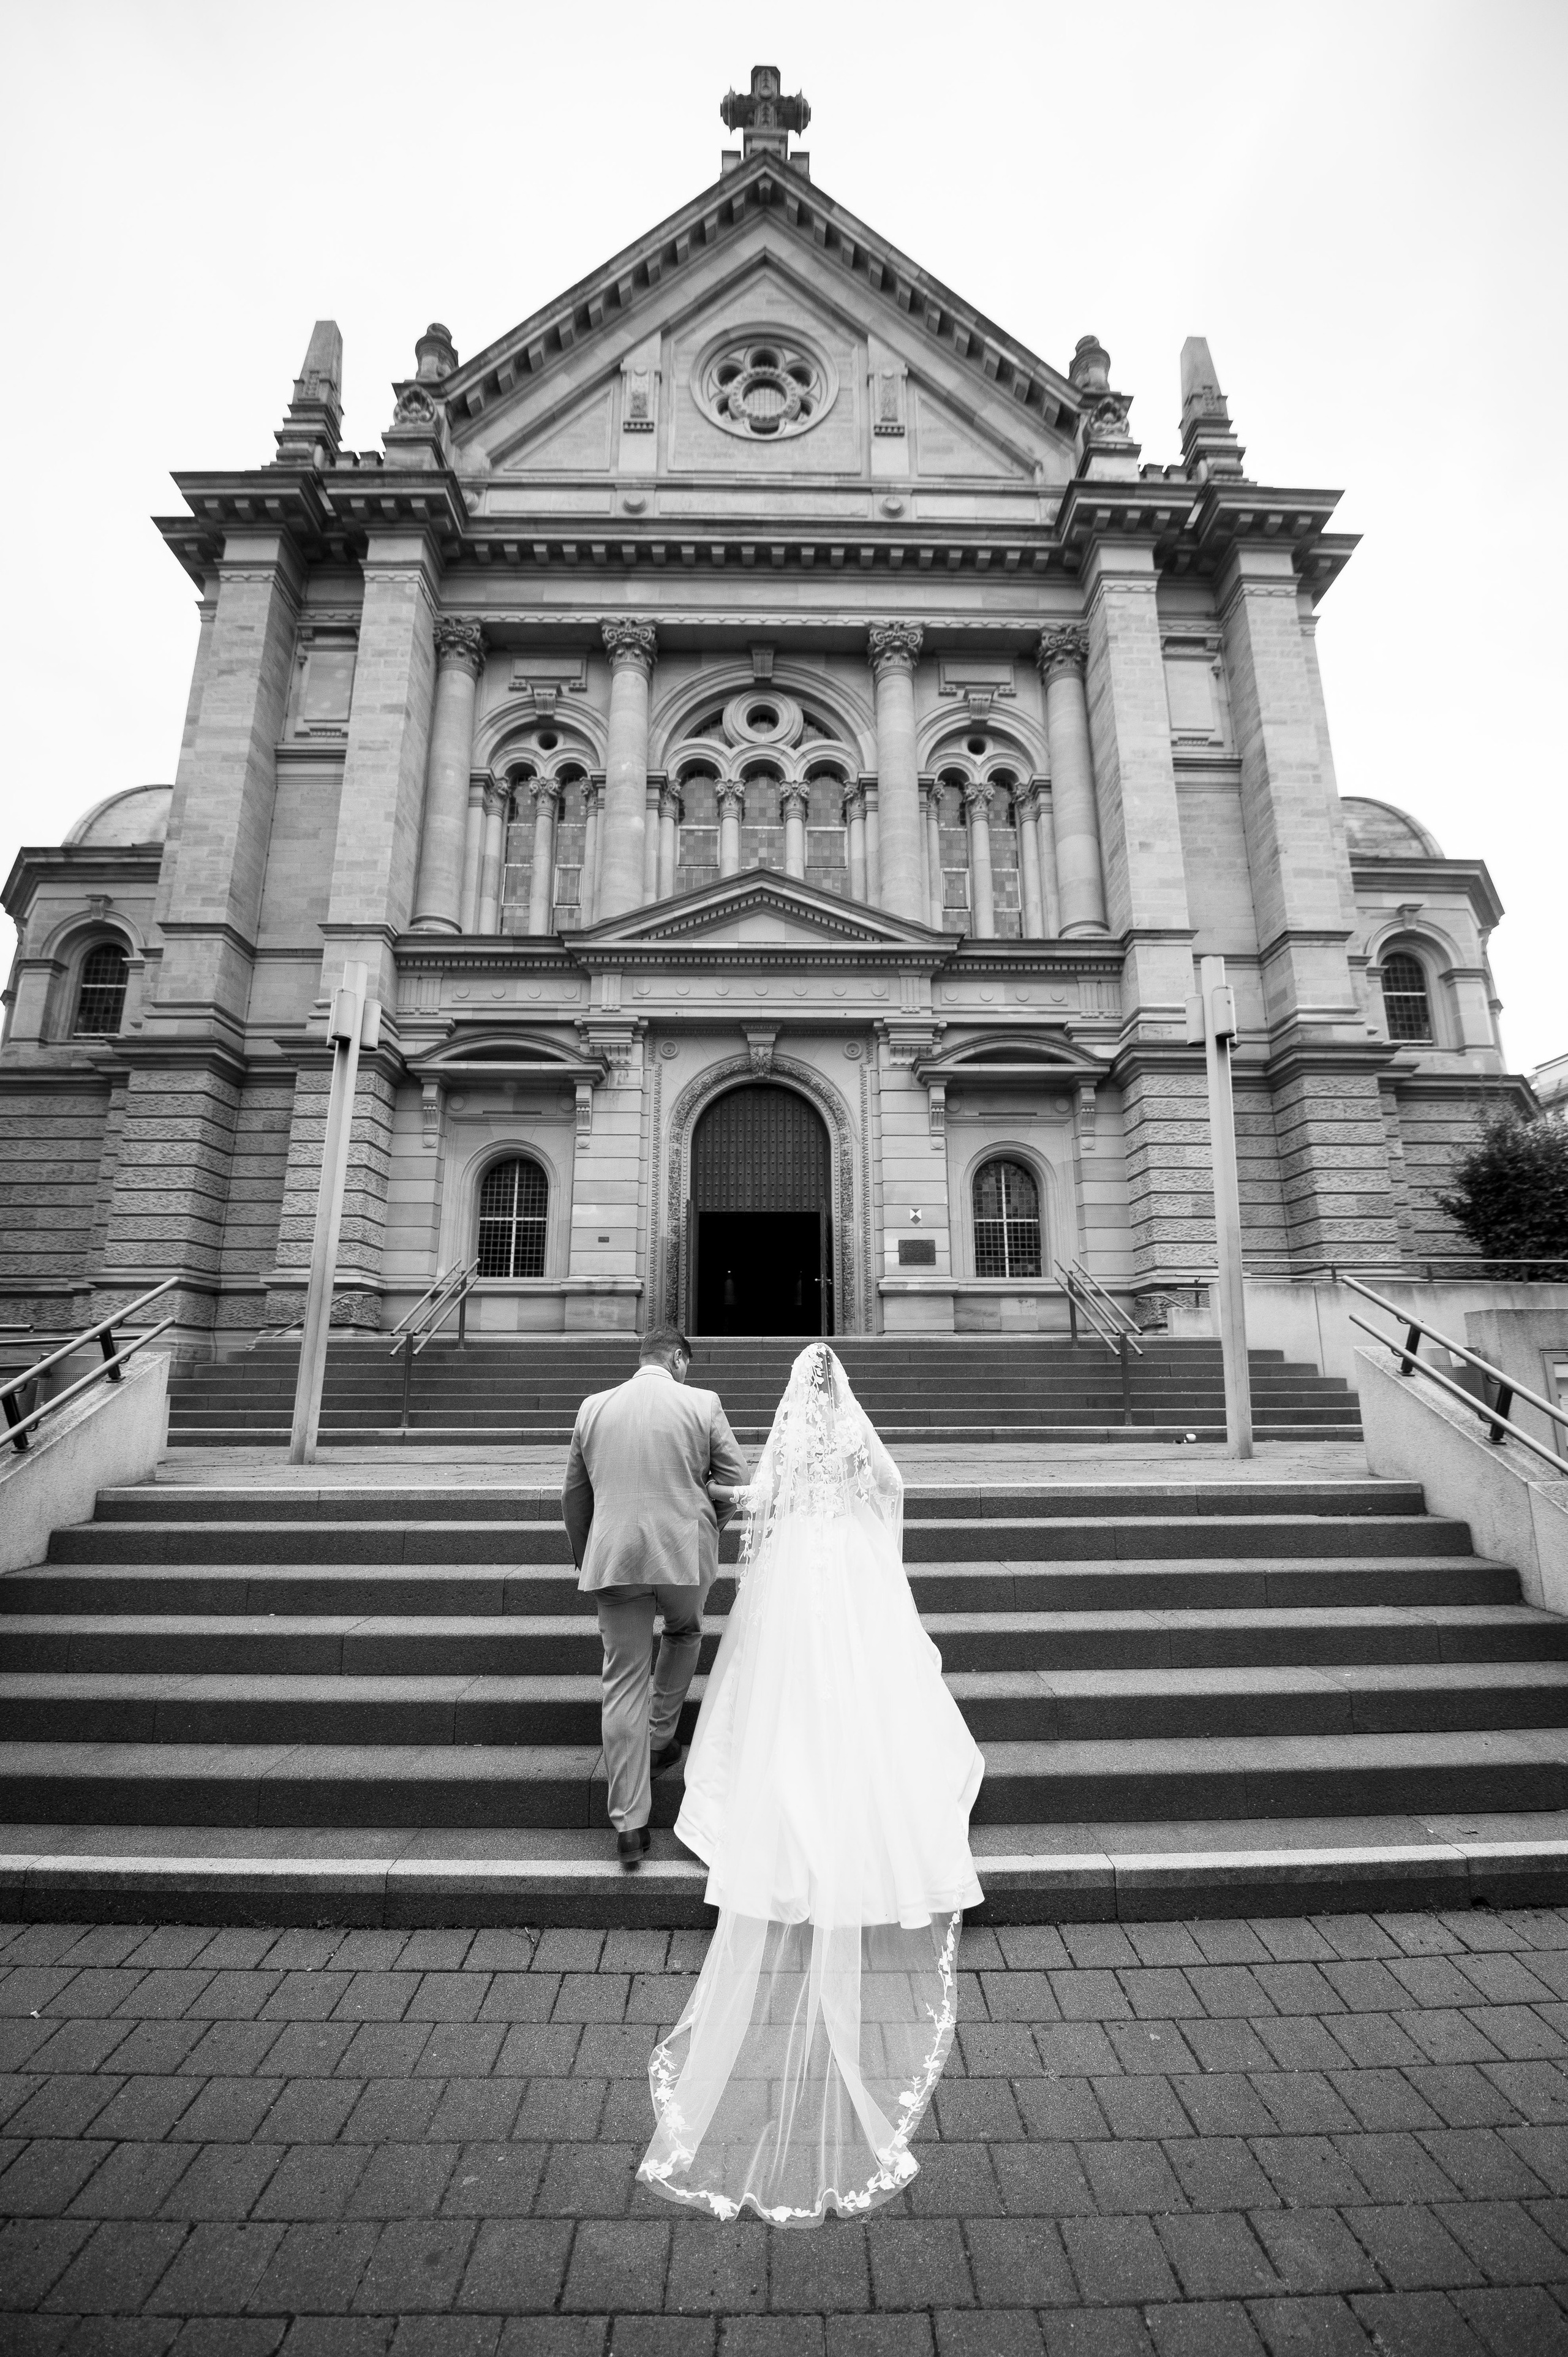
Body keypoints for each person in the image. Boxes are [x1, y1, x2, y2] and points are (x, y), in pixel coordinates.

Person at [637, 1341, 984, 2225]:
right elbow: (890, 1489)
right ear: (842, 1388)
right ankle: (880, 1823)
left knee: (783, 1687)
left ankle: (775, 1818)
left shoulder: (788, 1439)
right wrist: (881, 1551)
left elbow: (763, 1505)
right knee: (867, 1683)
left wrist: (716, 1498)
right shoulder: (856, 1434)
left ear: (797, 1391)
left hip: (797, 1569)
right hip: (853, 1568)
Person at [562, 1325, 750, 1870]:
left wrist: (587, 1551)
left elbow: (575, 1495)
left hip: (615, 1556)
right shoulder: (702, 1403)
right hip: (683, 1553)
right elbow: (737, 1480)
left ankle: (629, 1825)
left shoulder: (593, 1407)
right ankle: (662, 1734)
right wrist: (707, 1524)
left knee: (621, 1678)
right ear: (677, 1359)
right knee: (685, 1631)